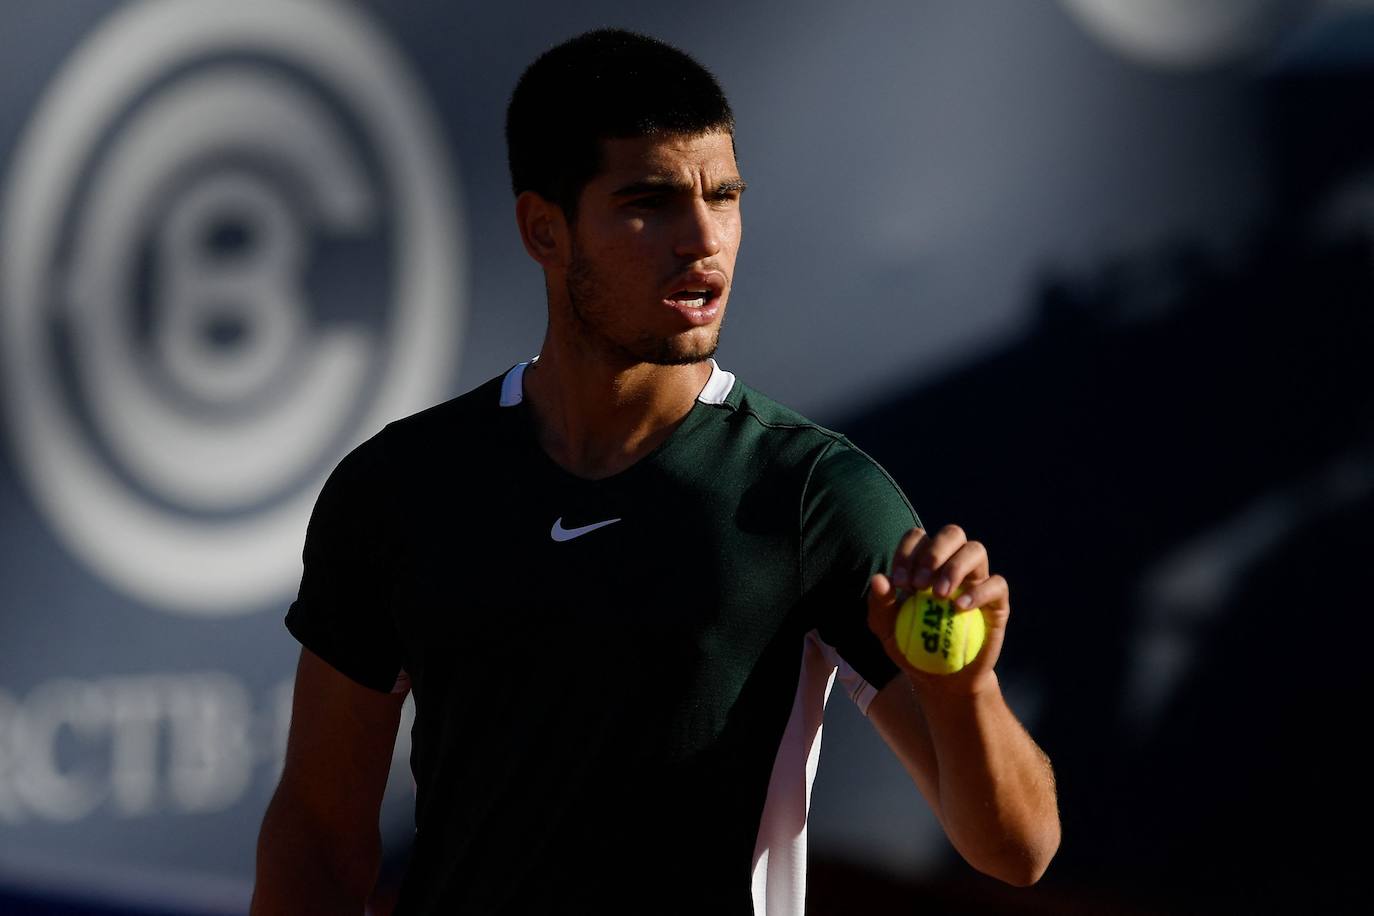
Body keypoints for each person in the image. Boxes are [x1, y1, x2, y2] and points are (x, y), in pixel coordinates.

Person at [251, 28, 1059, 916]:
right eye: (650, 201)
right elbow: (319, 834)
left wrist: (965, 694)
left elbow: (1017, 851)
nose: (703, 238)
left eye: (724, 196)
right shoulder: (399, 488)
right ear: (543, 230)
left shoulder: (812, 495)